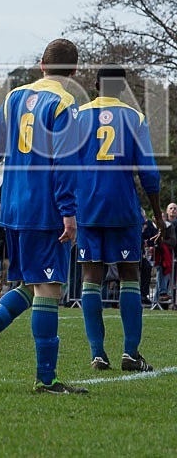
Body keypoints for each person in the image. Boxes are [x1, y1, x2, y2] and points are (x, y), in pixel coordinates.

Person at [0, 38, 87, 394]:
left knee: (30, 287)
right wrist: (69, 213)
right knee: (49, 289)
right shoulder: (65, 102)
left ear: (41, 64)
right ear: (74, 72)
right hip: (44, 210)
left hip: (13, 207)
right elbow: (64, 162)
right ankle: (46, 379)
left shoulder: (16, 97)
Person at [75, 65, 164, 372]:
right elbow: (150, 173)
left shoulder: (77, 116)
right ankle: (130, 353)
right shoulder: (134, 117)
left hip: (87, 208)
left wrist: (65, 208)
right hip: (123, 208)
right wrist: (160, 218)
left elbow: (62, 166)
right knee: (129, 275)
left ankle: (97, 353)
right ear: (122, 88)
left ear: (96, 86)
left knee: (91, 278)